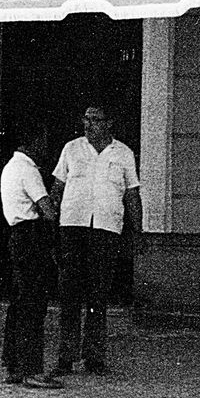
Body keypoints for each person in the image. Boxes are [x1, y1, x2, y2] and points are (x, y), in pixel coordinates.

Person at [51, 104, 141, 376]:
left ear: (109, 122)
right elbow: (57, 188)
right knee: (69, 294)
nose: (89, 125)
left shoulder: (123, 153)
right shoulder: (72, 148)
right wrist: (49, 226)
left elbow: (132, 195)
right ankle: (65, 357)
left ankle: (94, 358)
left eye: (96, 120)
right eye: (86, 119)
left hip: (106, 229)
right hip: (73, 227)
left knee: (98, 295)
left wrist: (137, 233)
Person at [0, 125, 64, 389]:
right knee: (33, 305)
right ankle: (31, 369)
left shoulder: (9, 167)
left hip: (16, 236)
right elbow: (48, 211)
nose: (45, 150)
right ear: (34, 141)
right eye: (43, 142)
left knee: (19, 302)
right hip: (31, 237)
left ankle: (14, 364)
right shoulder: (28, 170)